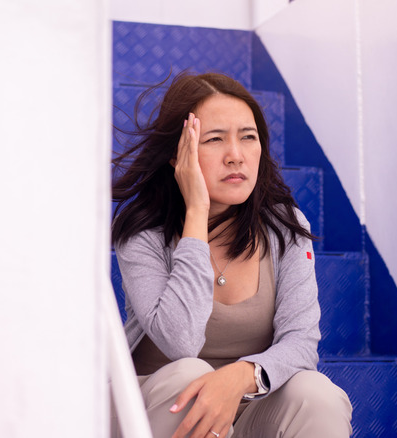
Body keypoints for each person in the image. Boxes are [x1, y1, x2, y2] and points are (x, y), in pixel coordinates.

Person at [111, 72, 352, 438]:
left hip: (246, 408)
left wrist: (242, 376)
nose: (236, 156)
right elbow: (181, 343)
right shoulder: (144, 234)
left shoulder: (284, 227)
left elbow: (301, 342)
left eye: (248, 137)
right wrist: (195, 212)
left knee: (317, 396)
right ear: (179, 154)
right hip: (161, 412)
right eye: (214, 139)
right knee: (191, 378)